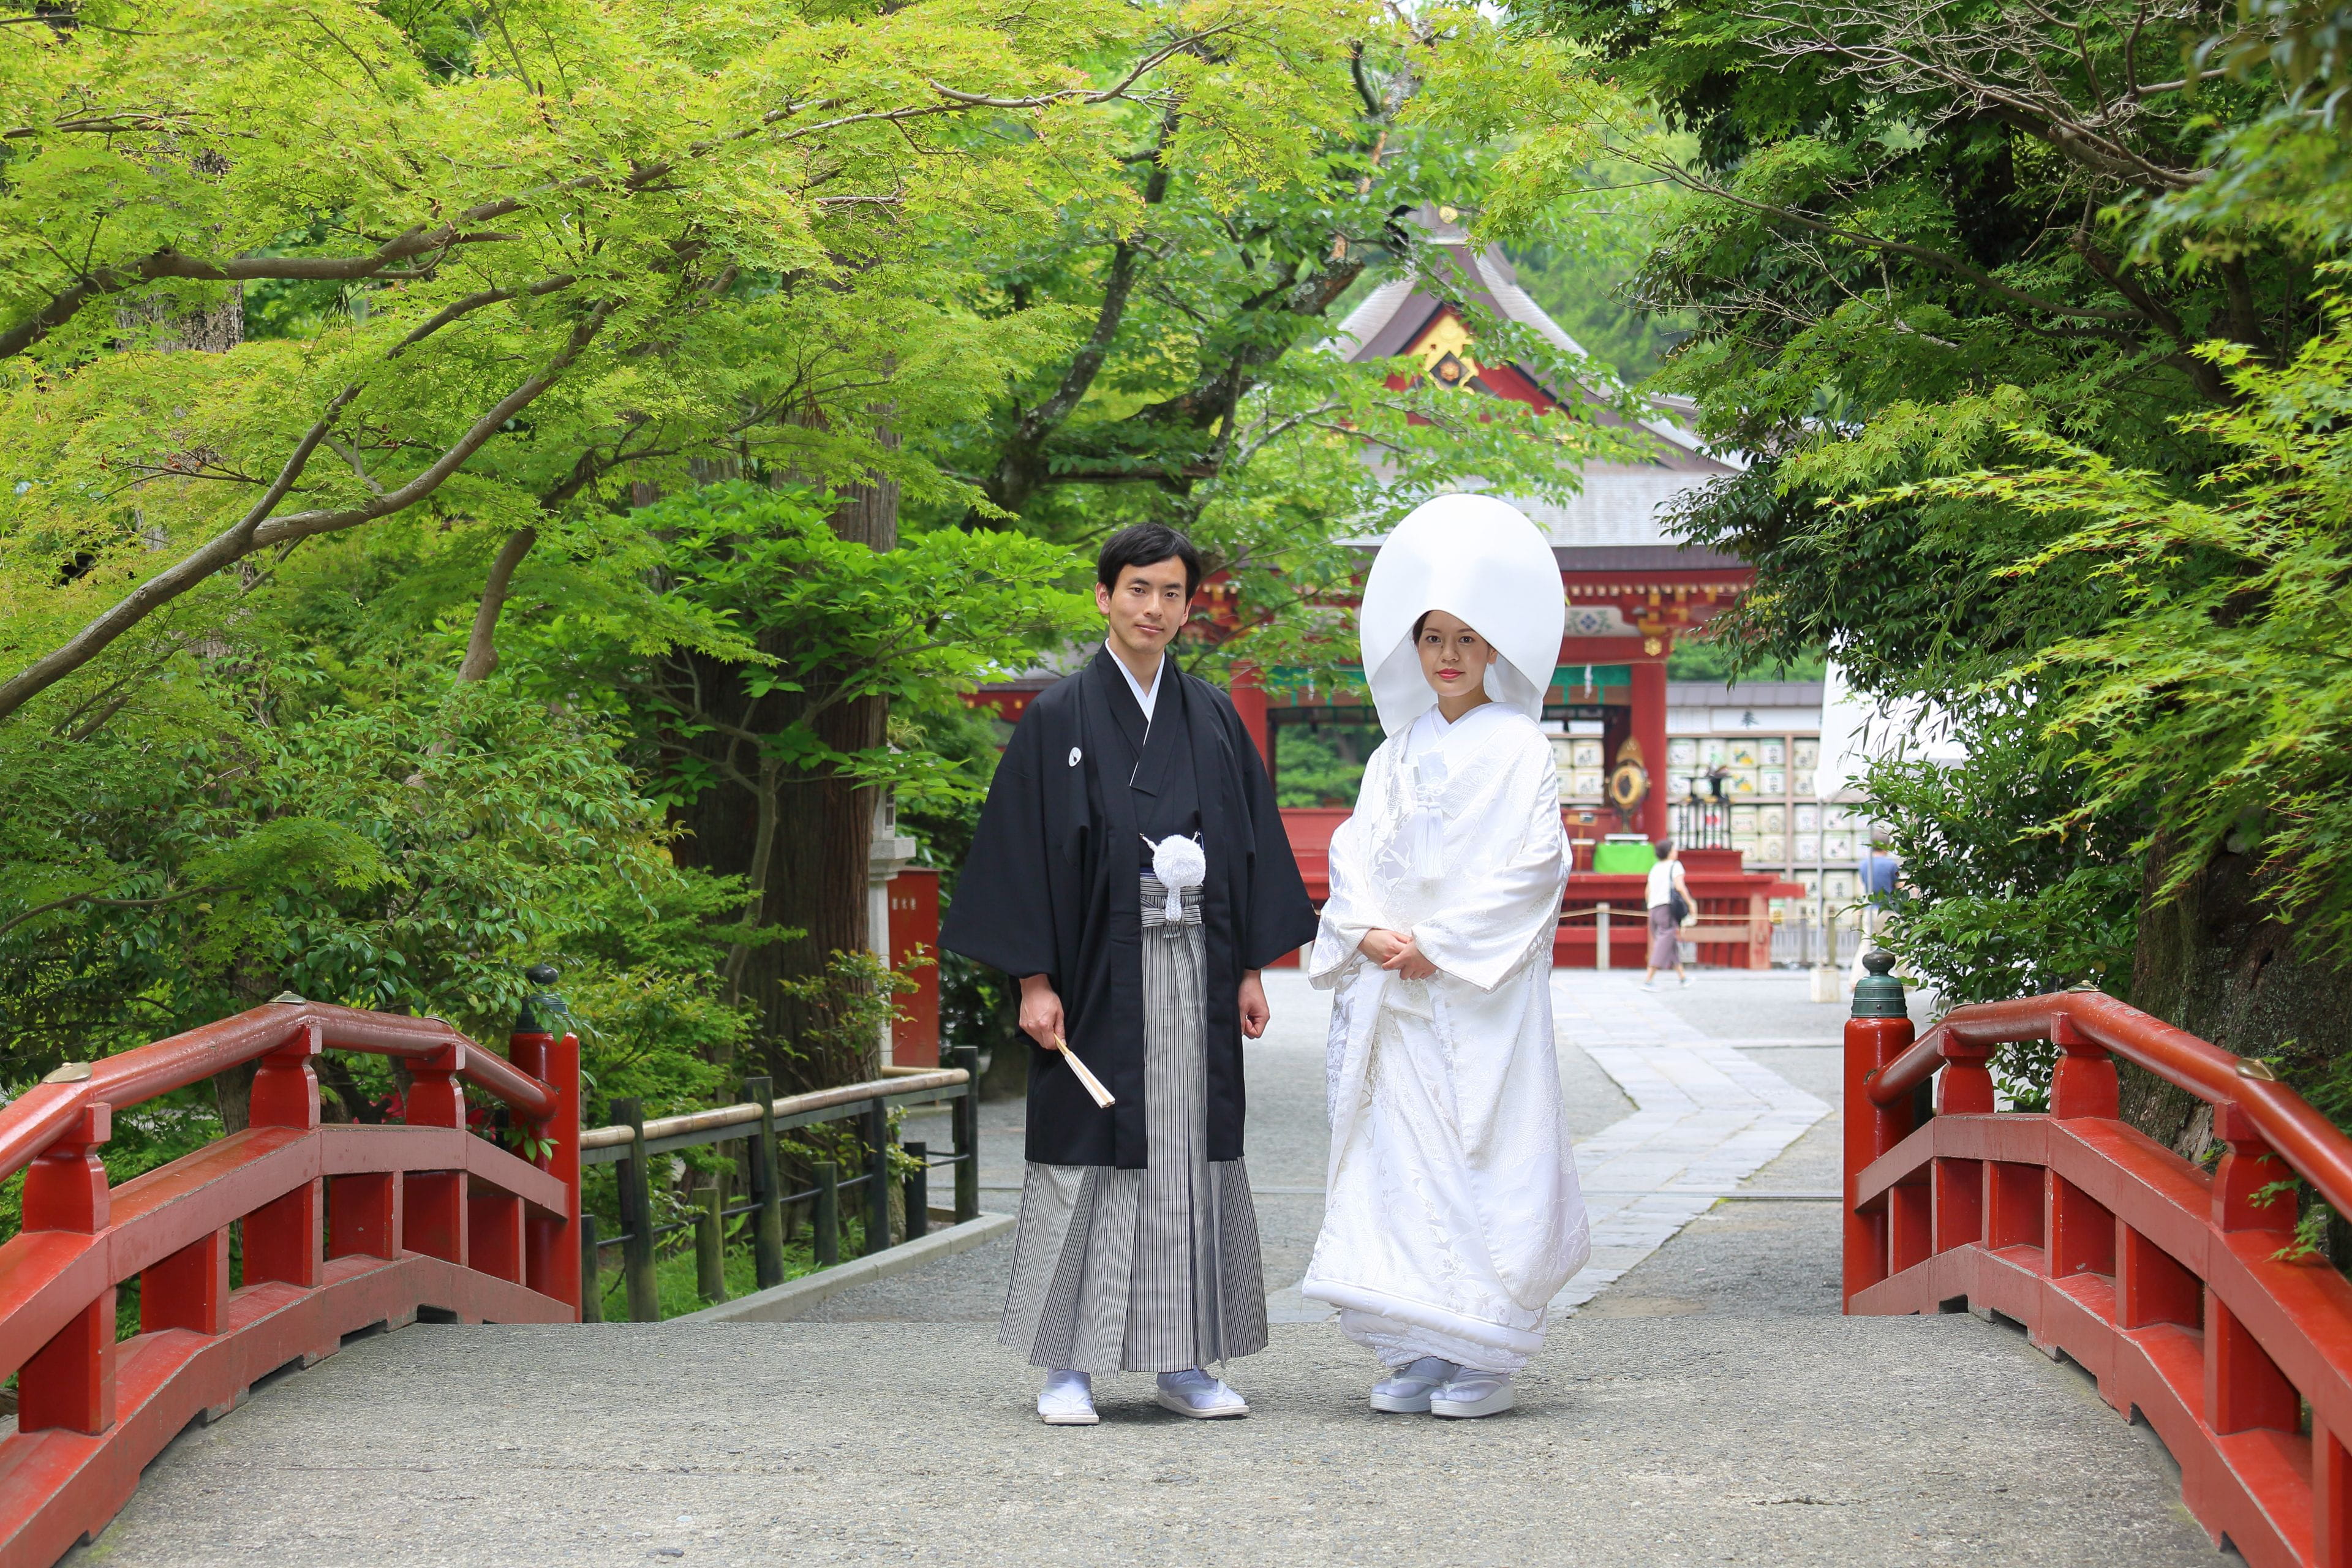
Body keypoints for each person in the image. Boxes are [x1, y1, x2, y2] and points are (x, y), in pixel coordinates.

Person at [939, 522, 1319, 1427]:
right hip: (1096, 971)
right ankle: (1066, 1365)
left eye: (1173, 593)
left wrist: (1251, 970)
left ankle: (1185, 1359)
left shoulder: (1214, 717)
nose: (1155, 608)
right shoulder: (1060, 717)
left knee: (1187, 1155)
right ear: (1105, 596)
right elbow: (1023, 855)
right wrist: (1034, 980)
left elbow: (1248, 844)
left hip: (1196, 963)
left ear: (1191, 607)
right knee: (1088, 1158)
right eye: (1139, 589)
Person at [1300, 493, 1591, 1420]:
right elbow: (1355, 850)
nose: (1451, 656)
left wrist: (1444, 943)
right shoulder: (1395, 754)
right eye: (1434, 638)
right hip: (1399, 992)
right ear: (1414, 650)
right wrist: (1367, 927)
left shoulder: (1520, 750)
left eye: (1468, 638)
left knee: (1482, 1156)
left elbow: (1537, 864)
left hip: (1477, 996)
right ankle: (1422, 1343)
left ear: (1494, 648)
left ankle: (1485, 1355)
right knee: (1398, 1165)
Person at [1643, 840, 1694, 990]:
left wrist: (1650, 907)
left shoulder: (1655, 868)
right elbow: (1679, 886)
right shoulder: (1675, 866)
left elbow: (1647, 892)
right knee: (1665, 940)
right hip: (1666, 908)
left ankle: (1682, 977)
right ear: (1670, 852)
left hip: (1653, 908)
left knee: (1669, 942)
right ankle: (1649, 979)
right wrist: (1690, 903)